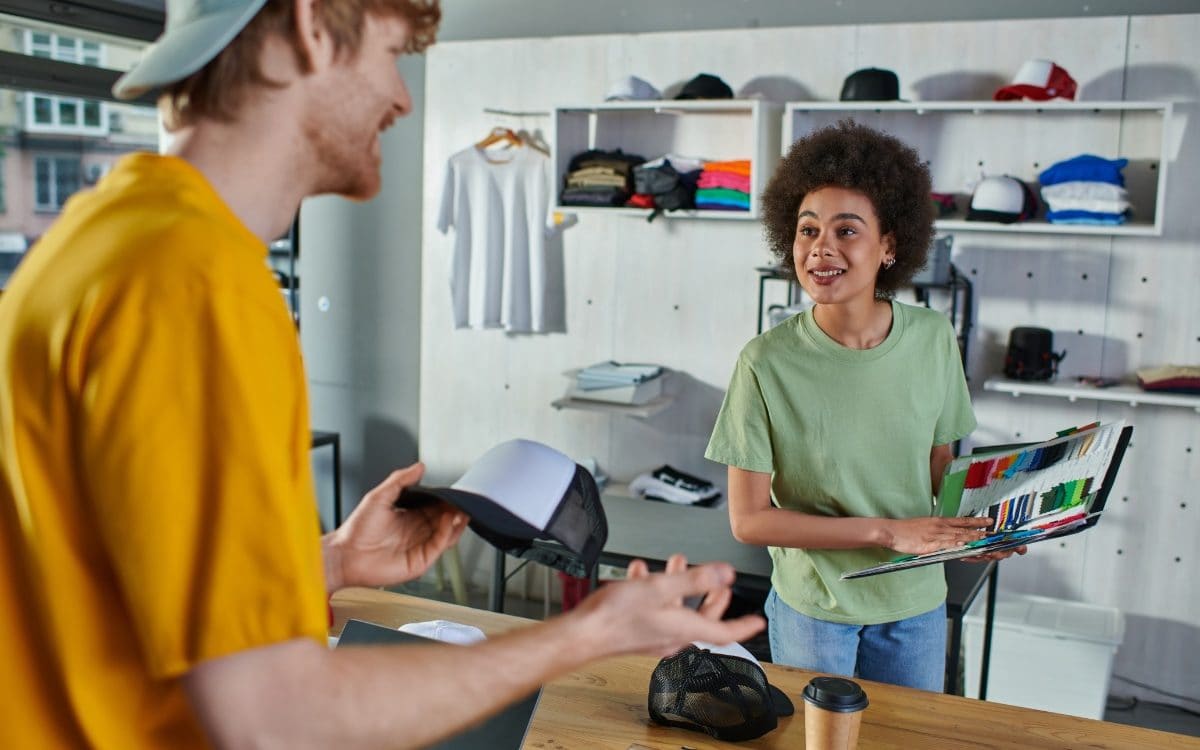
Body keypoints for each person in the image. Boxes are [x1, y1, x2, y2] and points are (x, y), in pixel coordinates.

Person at [0, 1, 764, 747]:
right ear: (309, 28)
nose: (402, 97)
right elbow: (273, 718)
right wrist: (581, 635)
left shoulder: (98, 240)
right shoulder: (201, 287)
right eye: (392, 52)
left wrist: (329, 561)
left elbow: (112, 586)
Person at [704, 120, 1023, 693]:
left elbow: (937, 466)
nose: (821, 248)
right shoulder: (765, 362)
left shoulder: (931, 338)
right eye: (807, 230)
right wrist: (887, 533)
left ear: (890, 245)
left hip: (916, 604)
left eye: (846, 230)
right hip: (814, 611)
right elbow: (749, 520)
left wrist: (975, 528)